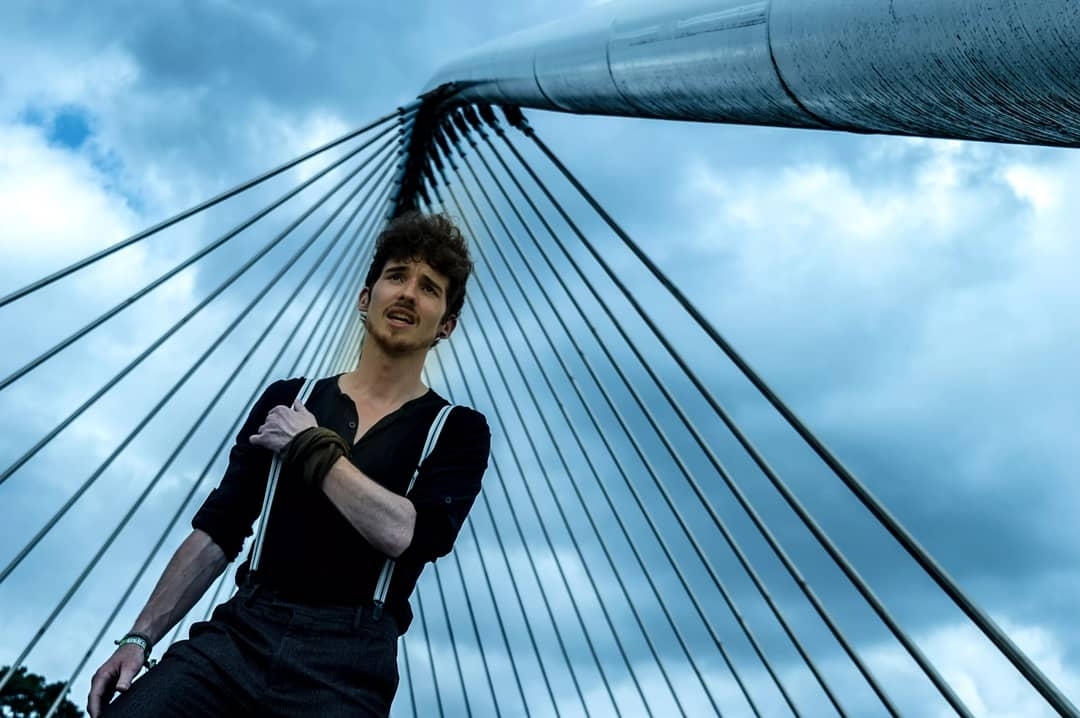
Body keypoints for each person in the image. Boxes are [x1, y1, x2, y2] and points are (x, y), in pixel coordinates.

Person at [87, 211, 491, 717]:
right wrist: (139, 638)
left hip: (348, 662)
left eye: (429, 288)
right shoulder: (289, 398)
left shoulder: (456, 430)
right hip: (241, 633)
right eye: (396, 276)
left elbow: (405, 533)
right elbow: (220, 529)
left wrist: (308, 446)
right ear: (365, 298)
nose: (408, 293)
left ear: (446, 325)